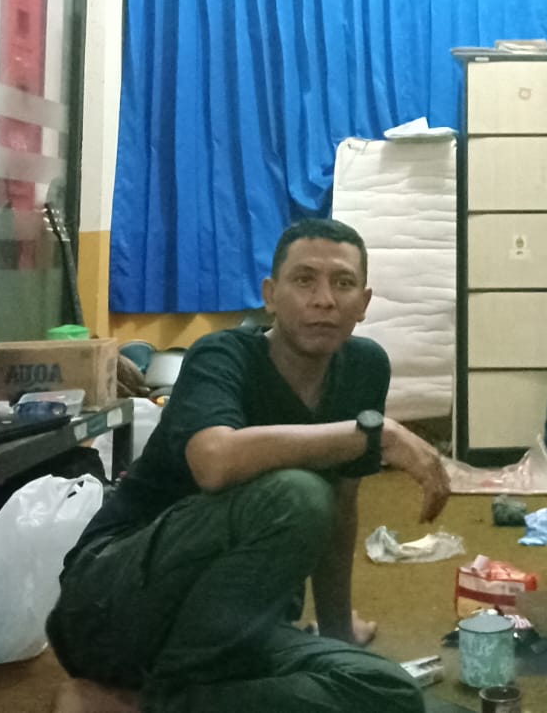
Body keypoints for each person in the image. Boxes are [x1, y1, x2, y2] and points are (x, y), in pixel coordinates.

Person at [48, 217, 449, 713]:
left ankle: (140, 705)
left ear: (363, 303)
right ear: (270, 295)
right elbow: (215, 462)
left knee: (389, 690)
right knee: (297, 495)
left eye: (343, 283)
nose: (324, 299)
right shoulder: (221, 355)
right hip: (111, 607)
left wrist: (337, 632)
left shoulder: (364, 367)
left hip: (234, 619)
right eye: (304, 280)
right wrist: (376, 434)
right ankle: (169, 691)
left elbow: (341, 510)